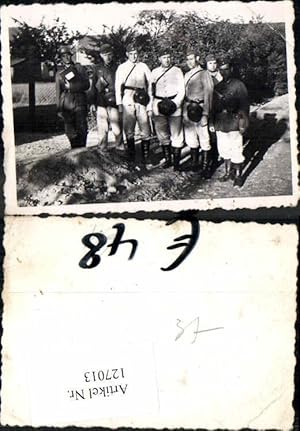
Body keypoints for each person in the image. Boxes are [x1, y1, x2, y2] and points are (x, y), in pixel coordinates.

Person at [211, 59, 250, 187]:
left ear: (231, 69)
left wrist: (242, 123)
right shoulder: (217, 87)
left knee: (236, 148)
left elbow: (244, 106)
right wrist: (212, 122)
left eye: (226, 69)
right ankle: (228, 172)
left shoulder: (239, 85)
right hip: (221, 122)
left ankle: (238, 176)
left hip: (234, 120)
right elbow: (213, 107)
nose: (224, 72)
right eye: (221, 69)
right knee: (224, 149)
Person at [115, 44, 152, 164]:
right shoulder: (122, 67)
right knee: (129, 129)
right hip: (128, 97)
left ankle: (146, 156)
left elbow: (151, 83)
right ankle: (131, 156)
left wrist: (150, 102)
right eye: (131, 54)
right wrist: (119, 103)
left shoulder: (143, 66)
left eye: (136, 53)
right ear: (127, 54)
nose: (134, 56)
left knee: (145, 127)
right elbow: (117, 86)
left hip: (141, 98)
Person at [151, 46, 185, 171]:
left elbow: (182, 89)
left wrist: (176, 103)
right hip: (159, 103)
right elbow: (151, 90)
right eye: (164, 57)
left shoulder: (177, 71)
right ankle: (168, 159)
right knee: (162, 133)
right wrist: (152, 106)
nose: (167, 60)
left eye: (168, 57)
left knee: (176, 133)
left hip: (174, 103)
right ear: (160, 59)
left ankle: (176, 163)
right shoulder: (154, 72)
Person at [55, 45, 90, 148]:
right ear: (61, 58)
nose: (67, 58)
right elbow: (58, 92)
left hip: (79, 101)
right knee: (69, 129)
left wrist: (72, 86)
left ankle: (82, 150)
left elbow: (86, 84)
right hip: (66, 103)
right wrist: (58, 109)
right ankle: (74, 149)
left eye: (68, 55)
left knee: (82, 128)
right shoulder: (59, 74)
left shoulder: (79, 68)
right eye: (64, 56)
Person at [90, 44, 122, 150]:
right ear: (101, 55)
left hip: (114, 100)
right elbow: (93, 87)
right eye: (105, 55)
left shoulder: (118, 68)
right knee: (102, 128)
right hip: (101, 101)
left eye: (109, 54)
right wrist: (92, 103)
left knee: (116, 127)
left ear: (112, 55)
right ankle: (103, 149)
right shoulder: (97, 68)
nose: (107, 57)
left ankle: (120, 147)